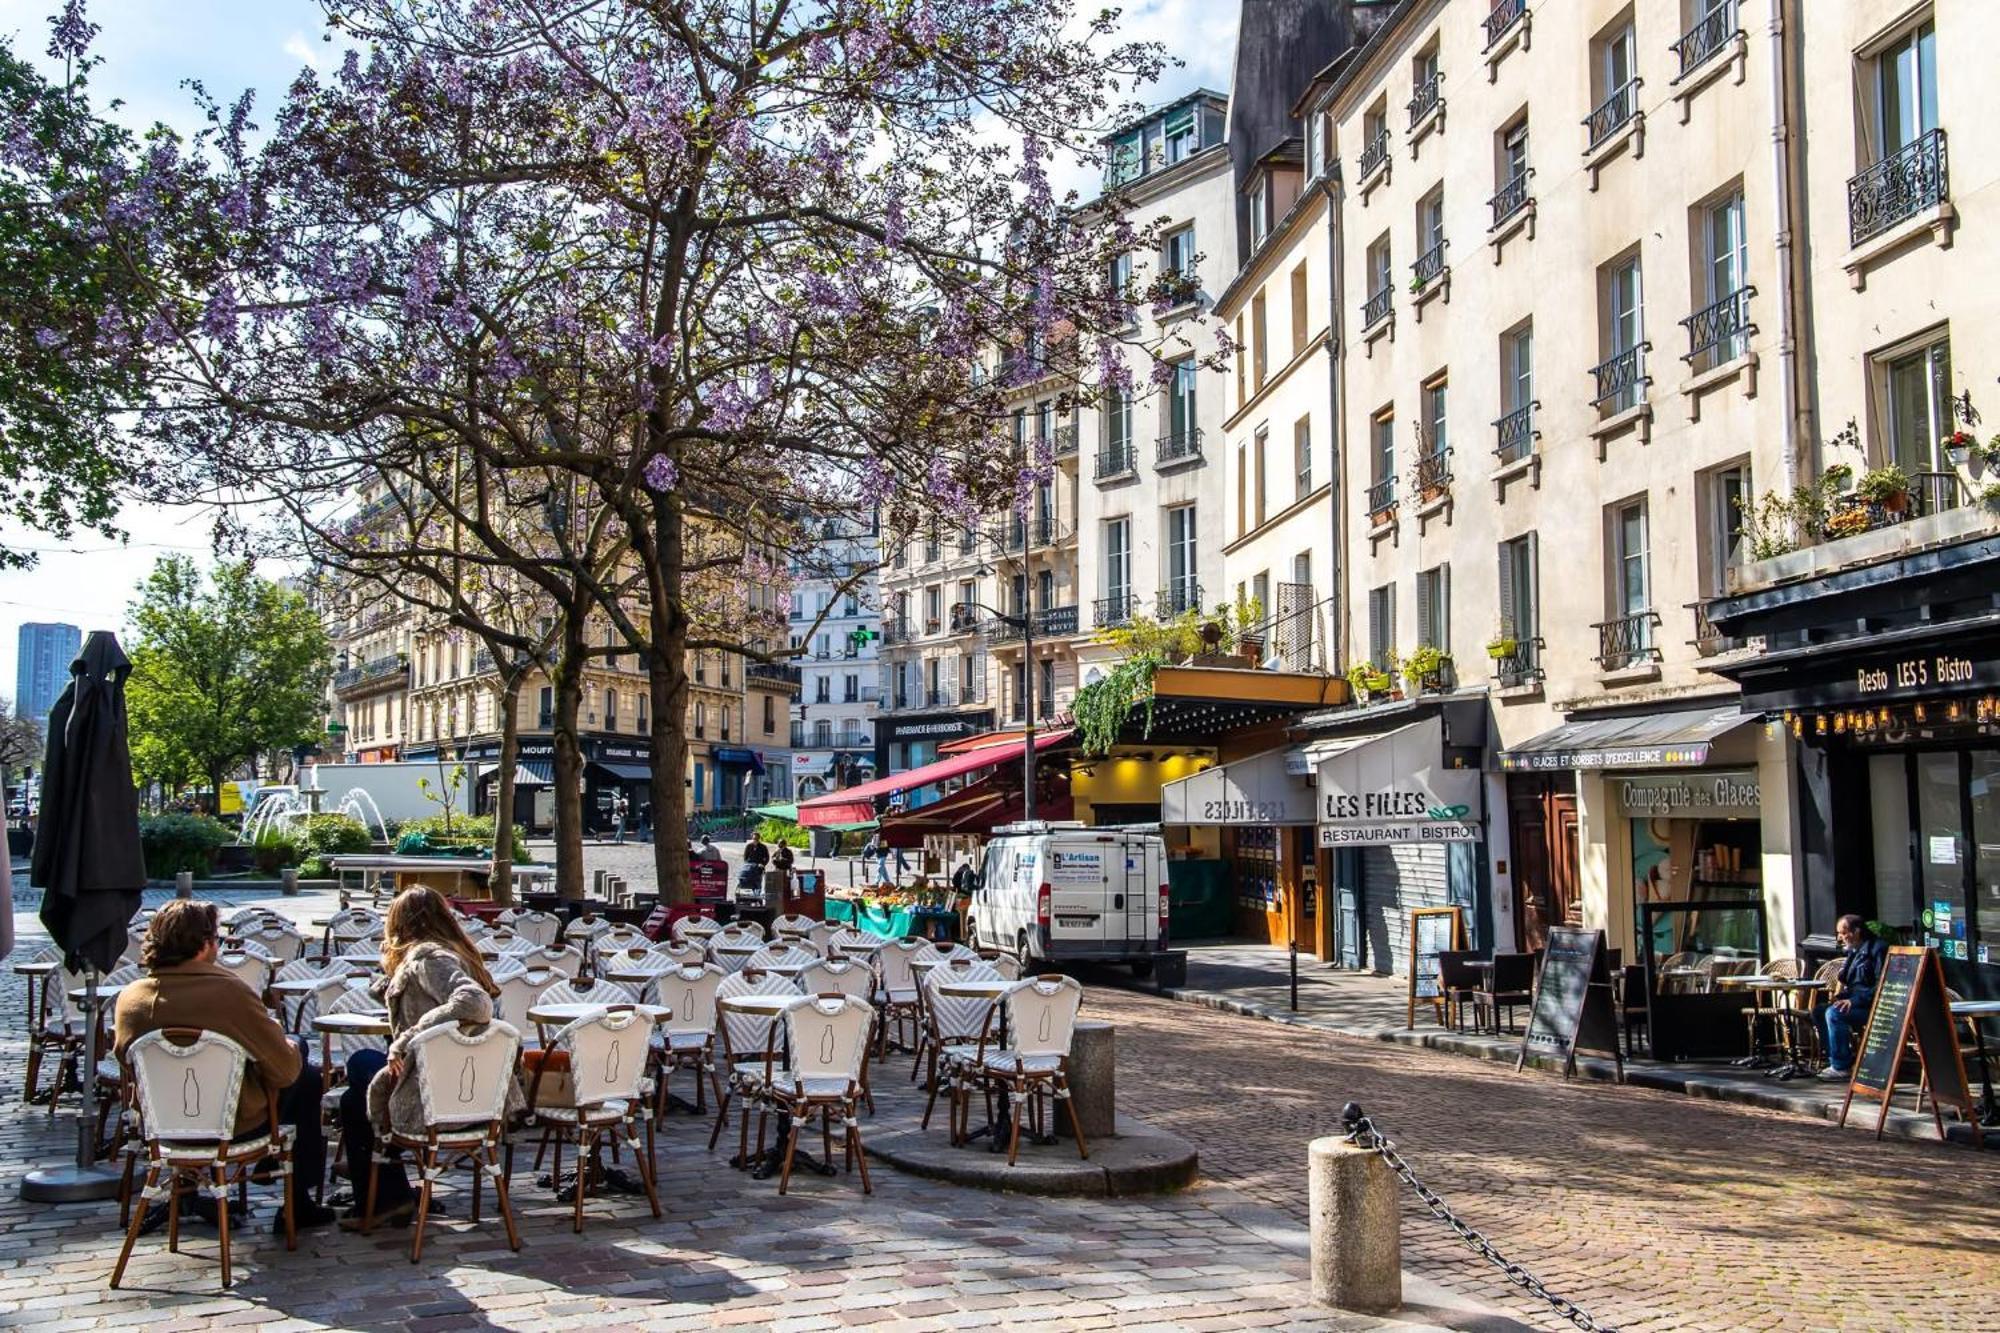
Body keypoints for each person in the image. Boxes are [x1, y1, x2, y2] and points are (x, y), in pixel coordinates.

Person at [112, 900, 336, 1233]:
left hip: (160, 1125)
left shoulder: (130, 999)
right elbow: (285, 1070)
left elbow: (123, 1059)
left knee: (298, 1062)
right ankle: (297, 1196)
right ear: (205, 945)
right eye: (215, 937)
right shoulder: (229, 993)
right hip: (231, 1122)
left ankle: (197, 1188)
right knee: (305, 1068)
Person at [339, 888, 520, 1230]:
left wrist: (408, 1036)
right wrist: (393, 980)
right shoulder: (444, 954)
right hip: (474, 1091)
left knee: (361, 1063)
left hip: (436, 1098)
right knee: (354, 1096)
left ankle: (382, 1183)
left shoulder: (428, 957)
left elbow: (474, 1002)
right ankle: (378, 1180)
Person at [1816, 913, 1890, 1081]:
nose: (1840, 938)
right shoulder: (1855, 949)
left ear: (1856, 931)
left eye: (1843, 933)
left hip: (1872, 1007)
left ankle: (1841, 1067)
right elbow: (1847, 979)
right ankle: (1836, 1059)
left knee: (1834, 1014)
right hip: (1856, 1002)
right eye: (1838, 934)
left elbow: (1882, 984)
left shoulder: (1878, 949)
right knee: (1820, 1011)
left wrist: (1854, 1001)